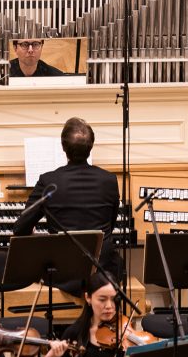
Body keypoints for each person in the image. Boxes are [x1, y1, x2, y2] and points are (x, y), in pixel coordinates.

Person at [12, 117, 122, 279]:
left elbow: (19, 229)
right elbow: (110, 227)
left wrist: (35, 234)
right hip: (102, 270)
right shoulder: (109, 180)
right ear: (91, 146)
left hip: (63, 271)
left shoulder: (49, 181)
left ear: (63, 147)